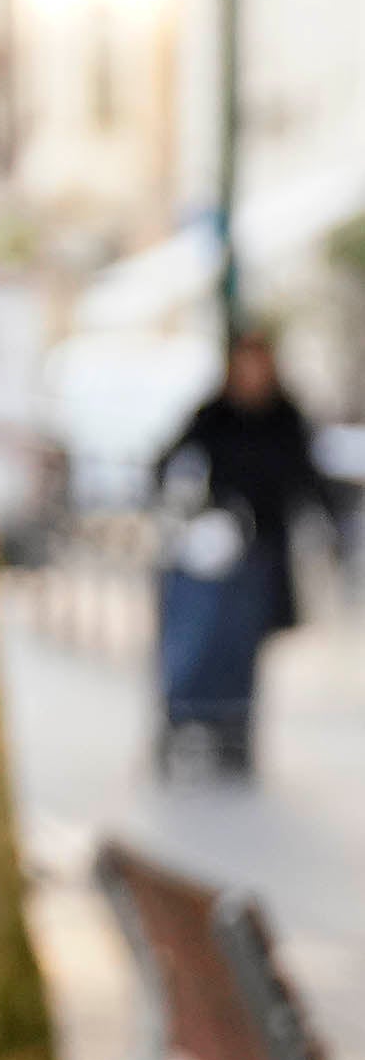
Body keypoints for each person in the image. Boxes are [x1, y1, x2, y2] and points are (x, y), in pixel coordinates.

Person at [151, 328, 333, 776]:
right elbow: (169, 458)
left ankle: (236, 733)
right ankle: (194, 721)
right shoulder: (216, 414)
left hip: (266, 546)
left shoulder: (285, 416)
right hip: (218, 548)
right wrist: (181, 509)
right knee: (203, 636)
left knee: (246, 646)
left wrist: (331, 521)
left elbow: (308, 477)